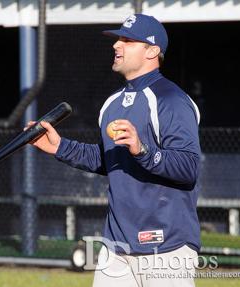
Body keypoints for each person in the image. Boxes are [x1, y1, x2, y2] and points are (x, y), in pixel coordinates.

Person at [27, 14, 201, 287]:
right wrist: (60, 147)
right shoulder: (112, 104)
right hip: (116, 246)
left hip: (166, 247)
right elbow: (109, 159)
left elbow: (188, 168)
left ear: (152, 51)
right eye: (118, 39)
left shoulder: (172, 99)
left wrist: (142, 149)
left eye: (128, 40)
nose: (116, 45)